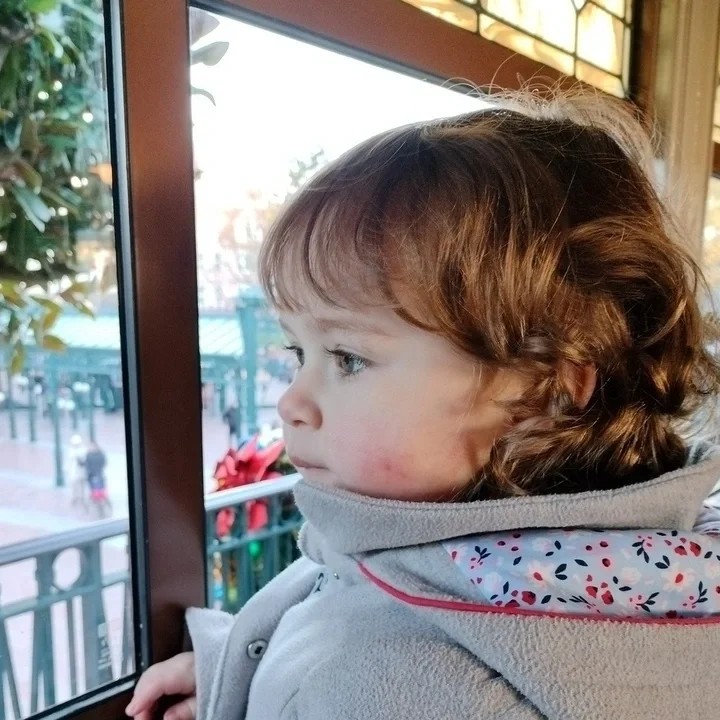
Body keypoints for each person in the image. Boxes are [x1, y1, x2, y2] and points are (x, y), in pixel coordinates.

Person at [126, 91, 720, 720]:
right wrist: (236, 672)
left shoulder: (405, 688)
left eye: (349, 358)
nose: (292, 402)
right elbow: (352, 604)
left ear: (546, 390)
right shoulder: (587, 568)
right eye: (299, 353)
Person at [82, 440, 111, 519]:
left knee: (99, 494)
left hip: (97, 476)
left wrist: (95, 473)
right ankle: (97, 508)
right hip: (93, 477)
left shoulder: (97, 455)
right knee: (96, 493)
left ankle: (101, 509)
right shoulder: (90, 455)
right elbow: (87, 465)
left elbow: (102, 464)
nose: (91, 448)